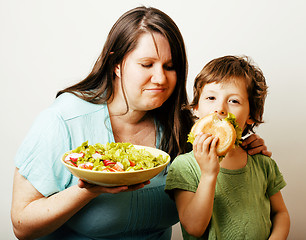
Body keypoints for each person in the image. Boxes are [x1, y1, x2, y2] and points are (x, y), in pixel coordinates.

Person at [11, 7, 271, 240]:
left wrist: (240, 147)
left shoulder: (182, 127)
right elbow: (22, 226)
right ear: (116, 64)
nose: (160, 78)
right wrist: (89, 190)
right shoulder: (64, 120)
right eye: (147, 64)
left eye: (170, 66)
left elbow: (212, 178)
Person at [165, 55, 290, 240]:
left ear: (251, 115)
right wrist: (208, 174)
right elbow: (193, 228)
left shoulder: (263, 164)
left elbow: (281, 214)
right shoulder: (183, 166)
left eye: (234, 101)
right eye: (211, 97)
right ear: (196, 108)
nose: (220, 109)